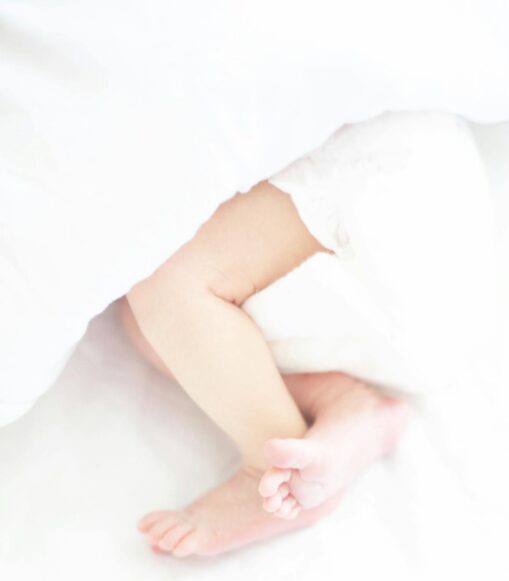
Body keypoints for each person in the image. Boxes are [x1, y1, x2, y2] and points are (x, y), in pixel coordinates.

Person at [122, 173, 407, 559]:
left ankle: (273, 469)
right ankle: (341, 401)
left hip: (387, 203)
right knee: (150, 324)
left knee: (164, 286)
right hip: (397, 261)